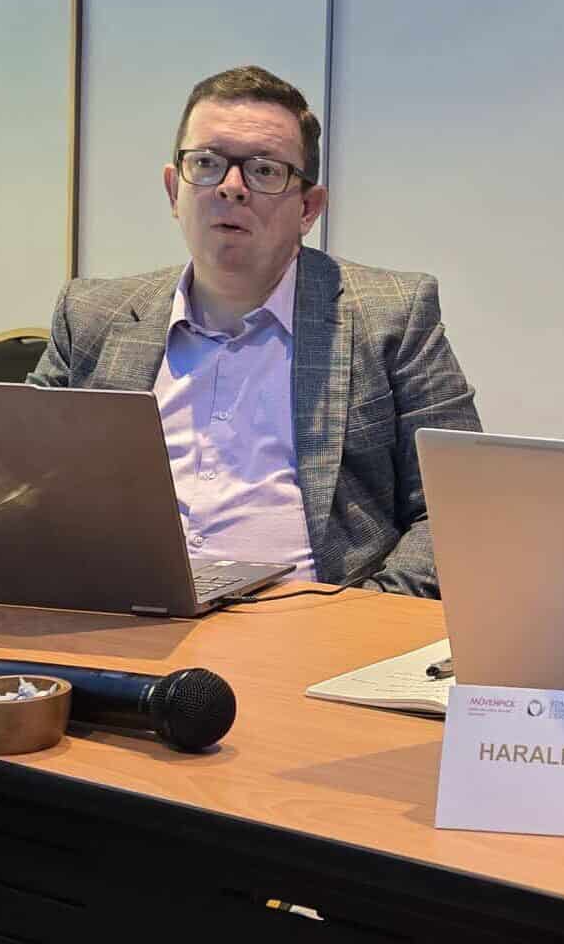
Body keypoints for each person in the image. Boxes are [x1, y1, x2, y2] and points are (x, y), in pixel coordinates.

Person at [29, 65, 481, 598]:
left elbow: (460, 509)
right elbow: (11, 483)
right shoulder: (91, 316)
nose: (231, 188)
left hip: (311, 640)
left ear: (308, 207)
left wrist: (365, 618)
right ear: (174, 190)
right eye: (207, 164)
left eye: (264, 171)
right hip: (114, 621)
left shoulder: (393, 316)